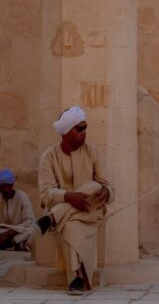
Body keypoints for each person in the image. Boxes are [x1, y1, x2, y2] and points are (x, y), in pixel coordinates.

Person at [35, 106, 114, 295]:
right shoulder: (49, 156)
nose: (85, 132)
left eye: (85, 128)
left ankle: (51, 218)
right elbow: (46, 193)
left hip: (90, 211)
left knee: (95, 186)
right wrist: (69, 197)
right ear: (66, 132)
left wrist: (107, 192)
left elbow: (109, 186)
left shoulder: (93, 152)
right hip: (69, 218)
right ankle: (77, 277)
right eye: (80, 129)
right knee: (71, 225)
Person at [0, 169, 36, 251]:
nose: (5, 190)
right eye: (2, 186)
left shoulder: (22, 197)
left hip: (18, 233)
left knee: (33, 230)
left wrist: (10, 233)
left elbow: (29, 221)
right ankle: (16, 245)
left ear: (12, 185)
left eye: (8, 186)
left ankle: (12, 243)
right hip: (2, 233)